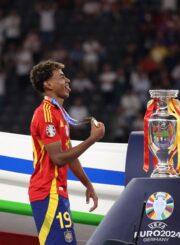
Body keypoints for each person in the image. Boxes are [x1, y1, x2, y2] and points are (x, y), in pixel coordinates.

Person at [28, 60, 105, 245]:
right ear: (48, 84)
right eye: (62, 77)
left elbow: (69, 154)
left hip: (57, 190)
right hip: (48, 191)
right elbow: (58, 158)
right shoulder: (45, 114)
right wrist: (92, 139)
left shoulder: (58, 113)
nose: (68, 80)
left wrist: (88, 184)